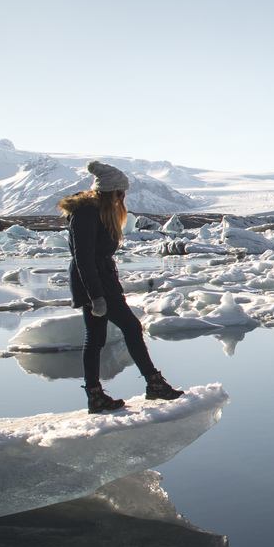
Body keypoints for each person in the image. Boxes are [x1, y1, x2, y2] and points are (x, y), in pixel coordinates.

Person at [61, 161, 183, 413]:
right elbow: (84, 258)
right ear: (110, 191)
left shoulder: (97, 211)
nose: (123, 197)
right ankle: (153, 384)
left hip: (102, 279)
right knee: (129, 327)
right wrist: (96, 296)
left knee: (96, 337)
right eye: (120, 192)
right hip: (94, 282)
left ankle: (96, 396)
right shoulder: (86, 213)